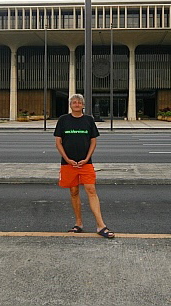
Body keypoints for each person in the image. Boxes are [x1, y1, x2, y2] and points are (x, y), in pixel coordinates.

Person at [54, 94, 115, 239]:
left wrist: (87, 158)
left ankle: (101, 225)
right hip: (68, 164)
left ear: (83, 105)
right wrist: (67, 159)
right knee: (74, 191)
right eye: (74, 102)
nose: (76, 104)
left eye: (79, 102)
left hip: (86, 163)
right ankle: (78, 223)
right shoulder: (63, 120)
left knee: (91, 190)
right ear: (70, 105)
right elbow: (58, 142)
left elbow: (93, 141)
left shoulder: (88, 120)